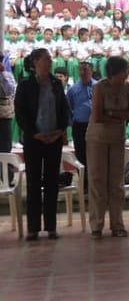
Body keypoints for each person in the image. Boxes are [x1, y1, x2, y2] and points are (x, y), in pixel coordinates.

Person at [14, 48, 70, 241]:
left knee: (52, 183)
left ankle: (51, 227)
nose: (50, 61)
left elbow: (64, 109)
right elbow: (20, 113)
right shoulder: (25, 85)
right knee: (34, 183)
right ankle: (33, 228)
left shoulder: (56, 83)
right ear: (36, 61)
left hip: (53, 139)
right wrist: (34, 133)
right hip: (34, 140)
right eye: (46, 59)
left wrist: (60, 130)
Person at [86, 56, 129, 238]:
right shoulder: (99, 87)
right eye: (124, 70)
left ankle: (117, 224)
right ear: (115, 71)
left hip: (117, 138)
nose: (127, 73)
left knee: (116, 182)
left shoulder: (127, 87)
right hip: (97, 139)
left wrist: (112, 113)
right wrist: (120, 116)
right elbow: (97, 116)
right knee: (97, 180)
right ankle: (96, 225)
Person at [67, 61, 95, 183]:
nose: (83, 72)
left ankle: (95, 183)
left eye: (86, 70)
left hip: (95, 126)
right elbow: (69, 108)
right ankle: (84, 184)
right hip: (79, 126)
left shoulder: (98, 86)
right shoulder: (73, 89)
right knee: (81, 155)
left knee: (95, 155)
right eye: (81, 70)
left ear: (91, 71)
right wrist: (72, 122)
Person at [0, 55, 17, 152]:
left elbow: (9, 91)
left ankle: (6, 166)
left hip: (4, 114)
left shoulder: (8, 75)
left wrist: (2, 75)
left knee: (5, 145)